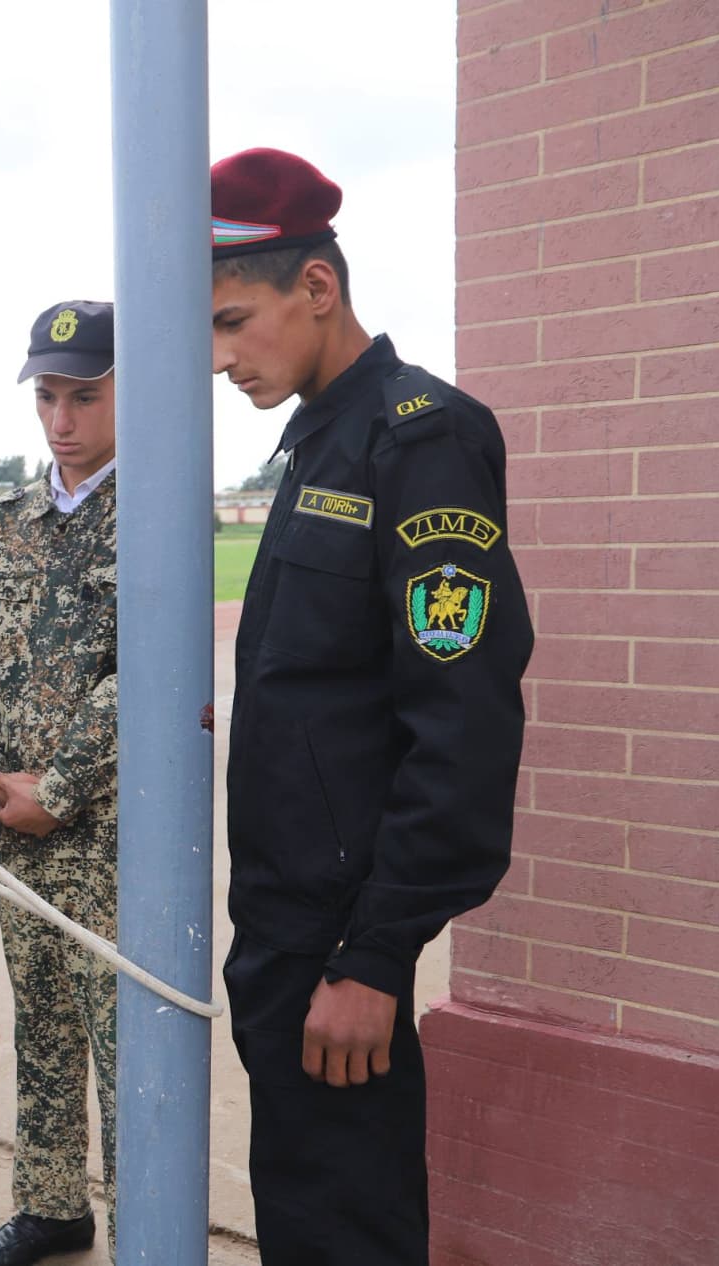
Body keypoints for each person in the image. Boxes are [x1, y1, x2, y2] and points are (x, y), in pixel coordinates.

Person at [212, 148, 531, 1264]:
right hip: (287, 915)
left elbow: (463, 717)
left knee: (344, 1223)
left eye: (232, 320)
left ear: (316, 288)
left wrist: (376, 958)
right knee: (307, 1207)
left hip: (340, 933)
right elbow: (329, 672)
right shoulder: (319, 441)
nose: (219, 358)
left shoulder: (419, 436)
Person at [0, 301, 118, 1266]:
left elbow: (145, 673)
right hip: (16, 825)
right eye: (48, 397)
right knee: (43, 1019)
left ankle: (151, 1218)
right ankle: (55, 1205)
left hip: (111, 831)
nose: (61, 419)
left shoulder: (156, 514)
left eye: (84, 396)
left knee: (125, 1034)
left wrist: (60, 785)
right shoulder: (3, 526)